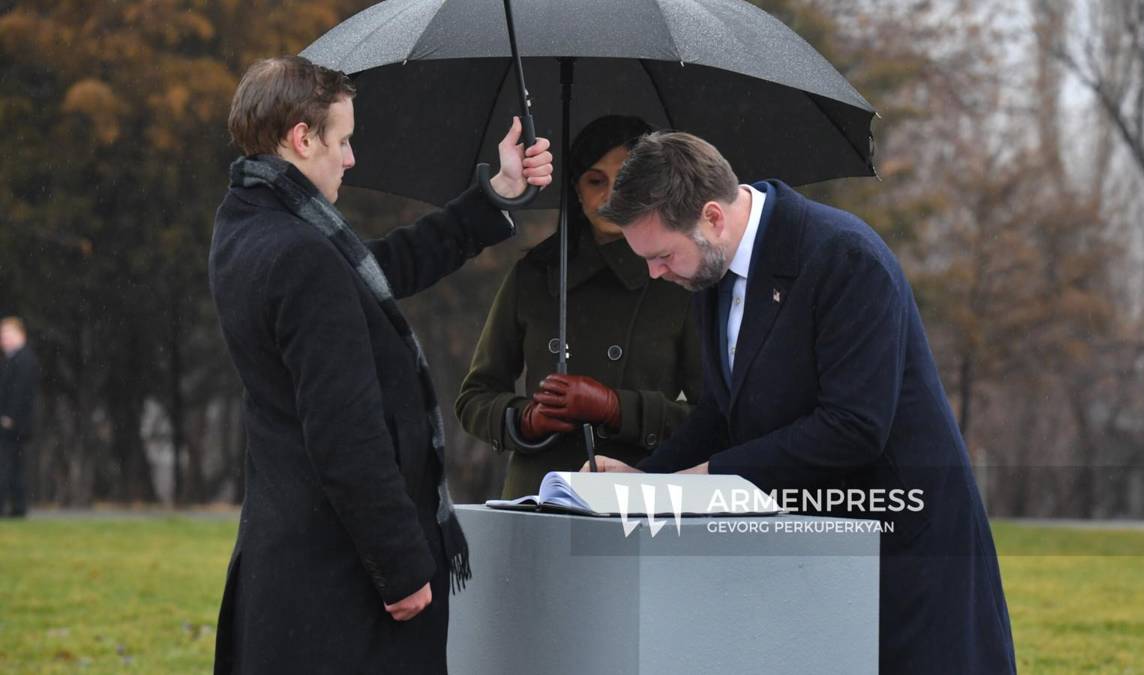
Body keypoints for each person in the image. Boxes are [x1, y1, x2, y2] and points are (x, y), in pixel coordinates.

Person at [587, 132, 1016, 674]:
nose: (654, 273)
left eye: (662, 255)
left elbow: (854, 427)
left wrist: (710, 479)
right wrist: (643, 484)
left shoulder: (844, 256)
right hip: (818, 553)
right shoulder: (712, 272)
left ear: (713, 218)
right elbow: (722, 413)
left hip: (905, 554)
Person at [209, 56, 551, 673]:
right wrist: (399, 567)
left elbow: (381, 267)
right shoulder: (301, 253)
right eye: (342, 140)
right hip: (342, 578)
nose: (351, 158)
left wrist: (493, 196)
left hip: (295, 557)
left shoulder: (251, 224)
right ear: (301, 138)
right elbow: (346, 433)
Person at [456, 116, 702, 498]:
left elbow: (713, 420)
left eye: (624, 180)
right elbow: (475, 397)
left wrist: (618, 409)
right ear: (576, 189)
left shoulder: (679, 280)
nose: (610, 197)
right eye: (595, 180)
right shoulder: (534, 276)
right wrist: (525, 420)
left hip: (633, 498)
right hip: (538, 497)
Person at [0, 316, 38, 518]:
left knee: (8, 466)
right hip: (15, 423)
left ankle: (14, 506)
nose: (3, 338)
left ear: (20, 334)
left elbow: (20, 392)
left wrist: (8, 417)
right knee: (14, 467)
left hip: (14, 424)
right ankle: (18, 507)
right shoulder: (13, 358)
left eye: (7, 334)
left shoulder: (24, 359)